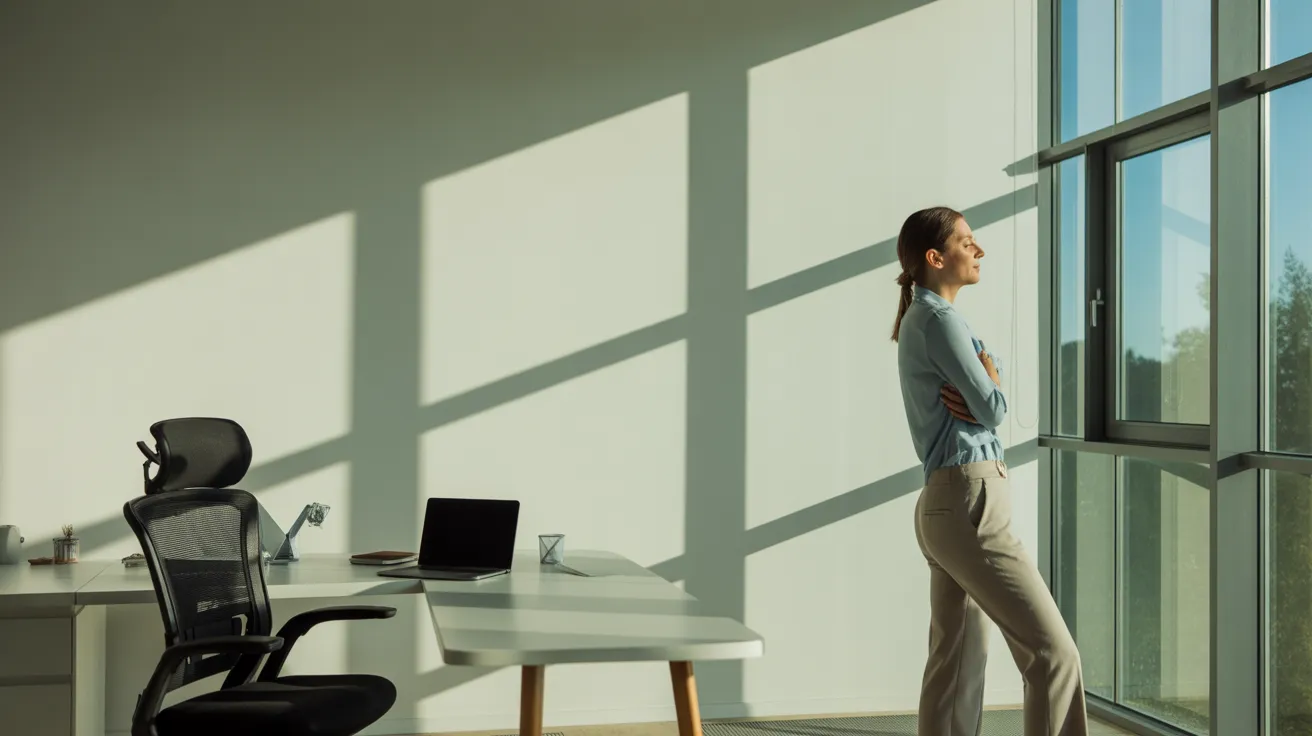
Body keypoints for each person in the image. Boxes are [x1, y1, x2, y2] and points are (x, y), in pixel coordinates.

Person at [891, 207, 1088, 736]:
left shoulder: (924, 319)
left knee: (955, 667)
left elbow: (982, 403)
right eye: (967, 242)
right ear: (936, 258)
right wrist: (991, 374)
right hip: (968, 500)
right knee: (1053, 653)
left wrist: (985, 380)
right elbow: (993, 407)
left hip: (946, 503)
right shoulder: (938, 320)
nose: (979, 251)